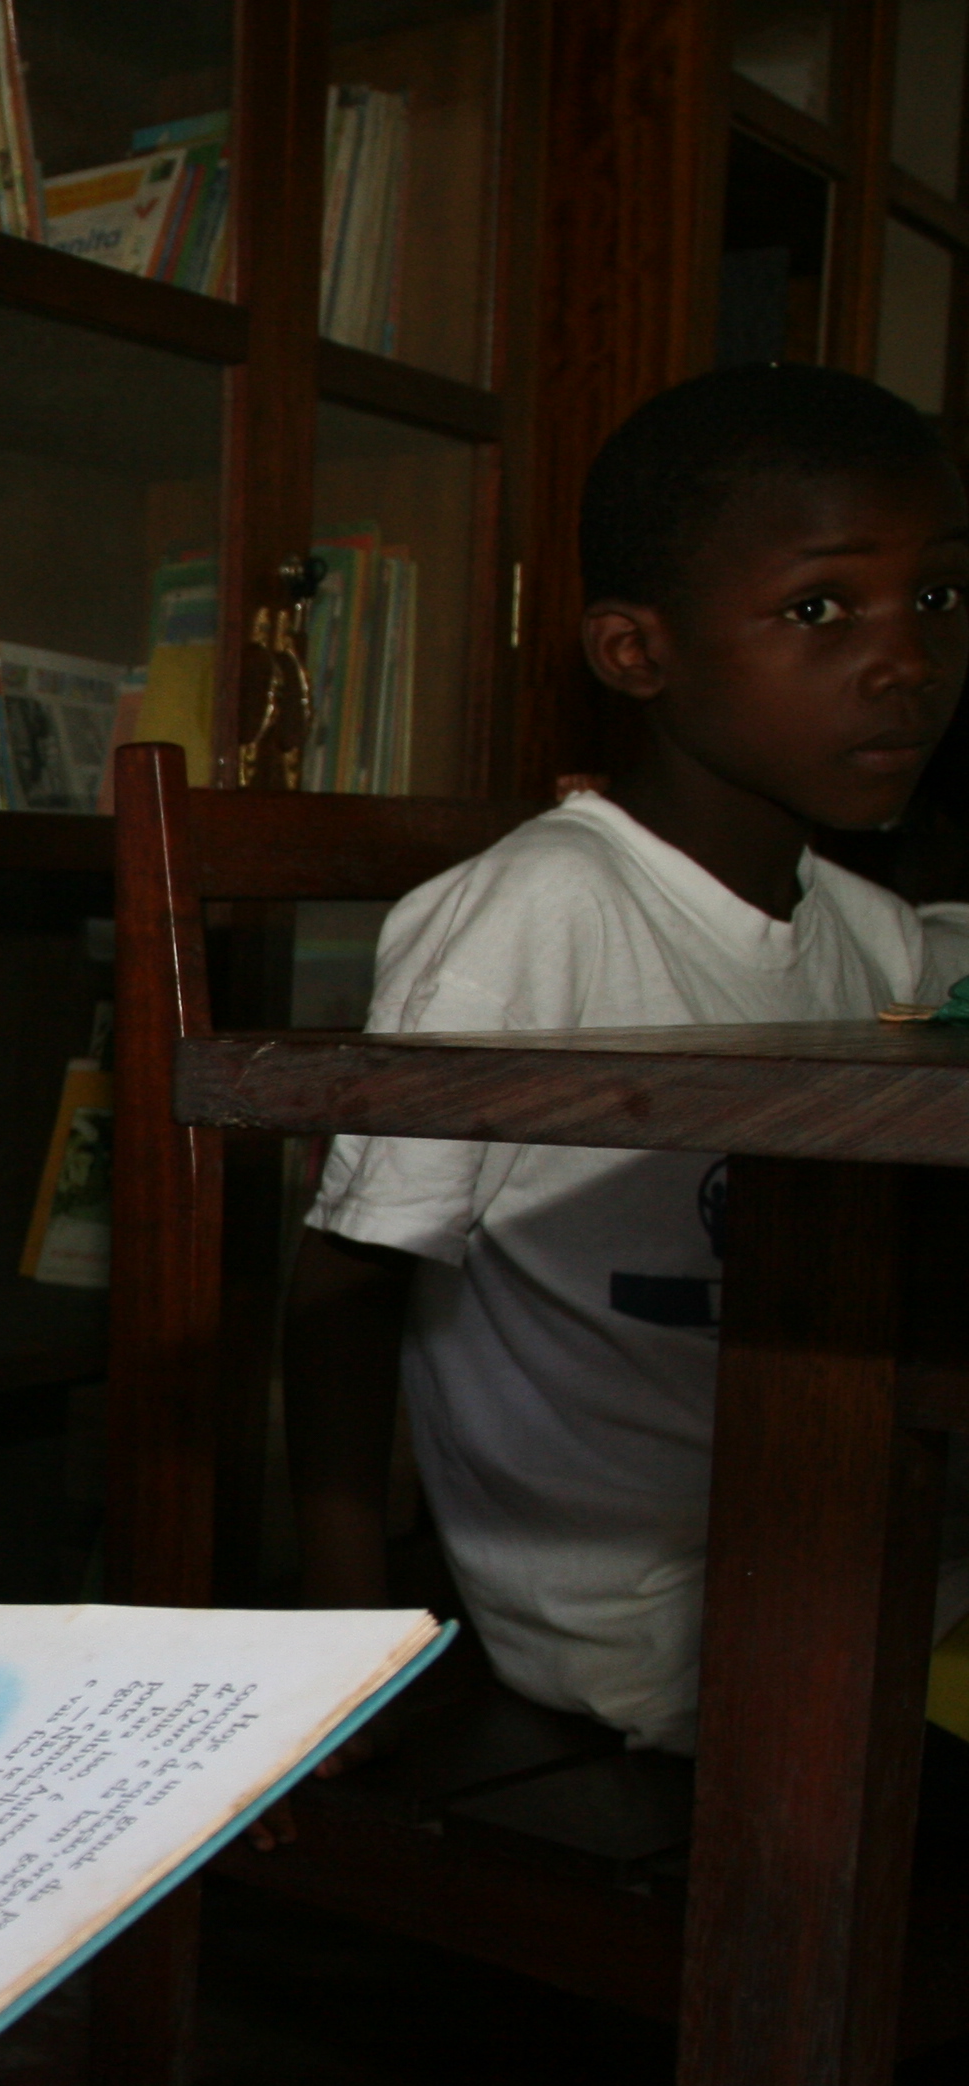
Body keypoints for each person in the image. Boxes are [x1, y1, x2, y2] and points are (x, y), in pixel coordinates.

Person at [285, 363, 969, 1755]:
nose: (906, 660)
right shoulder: (536, 916)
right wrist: (344, 1646)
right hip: (655, 1612)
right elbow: (348, 1285)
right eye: (821, 610)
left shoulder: (874, 939)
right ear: (634, 654)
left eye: (941, 599)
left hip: (864, 1546)